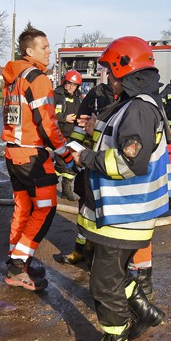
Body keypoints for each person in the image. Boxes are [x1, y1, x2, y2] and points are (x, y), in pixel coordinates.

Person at [70, 36, 171, 341]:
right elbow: (116, 136)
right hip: (114, 212)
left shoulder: (140, 108)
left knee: (104, 281)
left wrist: (85, 156)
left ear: (123, 71)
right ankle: (143, 310)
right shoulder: (130, 103)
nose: (105, 79)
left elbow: (129, 164)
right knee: (101, 268)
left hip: (125, 215)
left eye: (108, 72)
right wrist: (92, 127)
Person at [1, 28, 73, 290]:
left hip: (13, 153)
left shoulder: (14, 77)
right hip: (32, 155)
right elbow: (47, 122)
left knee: (23, 207)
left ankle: (17, 258)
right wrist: (64, 152)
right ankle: (19, 264)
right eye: (44, 47)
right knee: (45, 208)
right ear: (29, 51)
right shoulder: (37, 78)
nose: (49, 51)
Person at [60, 79, 116, 266]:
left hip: (113, 165)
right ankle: (81, 249)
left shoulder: (131, 99)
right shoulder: (96, 94)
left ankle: (100, 256)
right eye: (109, 72)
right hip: (90, 161)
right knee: (85, 207)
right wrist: (75, 152)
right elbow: (79, 126)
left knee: (109, 211)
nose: (112, 78)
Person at [54, 70, 83, 200]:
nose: (71, 87)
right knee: (61, 164)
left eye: (74, 84)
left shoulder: (78, 97)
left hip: (74, 135)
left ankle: (66, 191)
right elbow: (48, 114)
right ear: (64, 82)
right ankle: (48, 188)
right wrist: (64, 118)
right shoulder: (56, 94)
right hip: (59, 134)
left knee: (72, 165)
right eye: (69, 83)